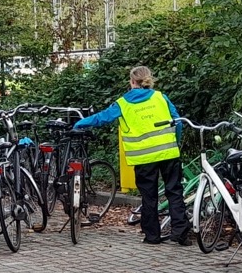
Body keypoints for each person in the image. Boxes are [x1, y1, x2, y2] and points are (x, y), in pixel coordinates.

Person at [73, 65, 186, 245]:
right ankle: (180, 233)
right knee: (174, 192)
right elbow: (178, 122)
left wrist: (79, 124)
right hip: (168, 152)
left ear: (132, 81)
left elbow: (102, 118)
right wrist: (176, 142)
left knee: (149, 197)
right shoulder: (160, 97)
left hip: (144, 158)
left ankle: (152, 236)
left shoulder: (123, 103)